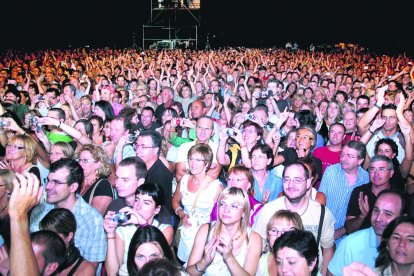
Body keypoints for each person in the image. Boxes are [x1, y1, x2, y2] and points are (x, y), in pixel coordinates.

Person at [253, 162, 335, 275]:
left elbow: (327, 250)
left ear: (308, 183)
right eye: (286, 179)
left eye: (297, 180)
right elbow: (256, 248)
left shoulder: (322, 213)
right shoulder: (268, 210)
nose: (291, 185)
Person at [29, 158, 107, 273]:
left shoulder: (92, 220)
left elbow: (91, 268)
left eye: (56, 182)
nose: (48, 187)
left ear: (73, 187)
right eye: (48, 180)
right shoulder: (39, 212)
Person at [327, 190, 406, 275]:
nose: (379, 218)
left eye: (388, 214)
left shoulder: (408, 249)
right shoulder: (351, 244)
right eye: (376, 210)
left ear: (402, 218)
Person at [186, 187, 262, 275]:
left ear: (243, 212)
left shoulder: (254, 238)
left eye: (234, 206)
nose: (226, 210)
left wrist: (229, 257)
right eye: (222, 204)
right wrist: (204, 262)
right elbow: (189, 273)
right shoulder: (206, 230)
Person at [104, 183, 174, 276]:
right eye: (137, 200)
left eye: (146, 203)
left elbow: (150, 245)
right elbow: (112, 273)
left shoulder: (165, 230)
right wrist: (110, 234)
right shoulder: (122, 231)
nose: (138, 206)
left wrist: (141, 222)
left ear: (156, 209)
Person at [172, 143, 223, 263]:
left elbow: (219, 217)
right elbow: (175, 201)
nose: (193, 163)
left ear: (207, 164)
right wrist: (181, 214)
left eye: (198, 160)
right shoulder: (184, 180)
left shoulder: (216, 187)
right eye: (191, 159)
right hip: (186, 232)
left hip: (205, 236)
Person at [319, 140, 369, 243]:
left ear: (360, 161)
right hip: (325, 232)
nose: (344, 158)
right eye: (343, 154)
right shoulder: (330, 171)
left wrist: (343, 230)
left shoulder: (366, 179)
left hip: (350, 237)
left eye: (350, 156)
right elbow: (319, 203)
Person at [345, 155, 395, 234]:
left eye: (381, 169)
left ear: (391, 173)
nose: (376, 174)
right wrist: (362, 216)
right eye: (372, 169)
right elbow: (349, 230)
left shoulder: (397, 196)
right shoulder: (359, 192)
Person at [39, 208, 96, 275]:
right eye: (45, 235)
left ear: (69, 236)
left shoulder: (85, 270)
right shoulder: (40, 259)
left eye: (54, 236)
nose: (47, 240)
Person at [135, 130, 174, 216]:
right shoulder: (141, 167)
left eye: (143, 147)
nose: (137, 151)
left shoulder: (160, 176)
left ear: (155, 150)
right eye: (137, 146)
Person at [256, 210, 304, 276]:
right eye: (274, 230)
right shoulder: (263, 261)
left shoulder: (304, 264)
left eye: (285, 232)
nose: (279, 236)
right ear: (268, 236)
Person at [175, 116, 222, 183]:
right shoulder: (184, 147)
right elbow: (179, 175)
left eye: (207, 129)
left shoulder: (218, 149)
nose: (203, 132)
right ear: (195, 129)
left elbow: (213, 175)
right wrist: (205, 172)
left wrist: (189, 172)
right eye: (200, 127)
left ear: (212, 132)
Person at [78, 144, 114, 215]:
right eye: (80, 160)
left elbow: (95, 217)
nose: (80, 164)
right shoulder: (77, 181)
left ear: (98, 164)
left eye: (85, 160)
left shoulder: (103, 185)